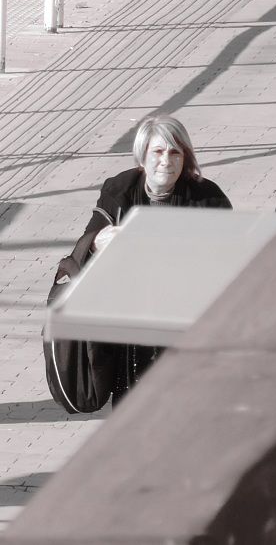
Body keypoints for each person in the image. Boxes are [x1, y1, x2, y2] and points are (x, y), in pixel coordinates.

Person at [64, 113, 231, 403]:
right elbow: (87, 243)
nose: (166, 161)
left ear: (185, 159)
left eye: (175, 153)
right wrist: (96, 242)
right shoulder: (120, 190)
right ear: (142, 157)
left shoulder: (208, 198)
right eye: (158, 151)